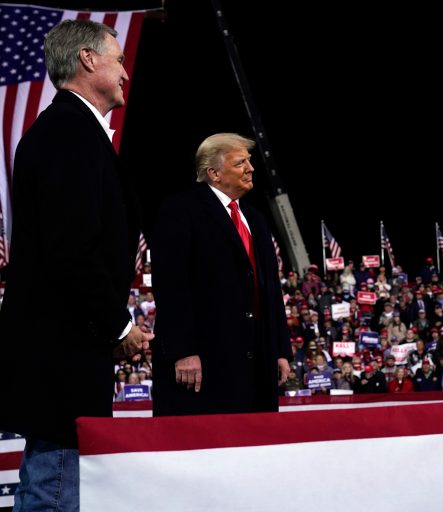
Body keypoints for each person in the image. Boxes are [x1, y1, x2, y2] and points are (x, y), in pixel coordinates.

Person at [0, 19, 149, 510]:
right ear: (88, 59)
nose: (126, 72)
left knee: (54, 475)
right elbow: (72, 250)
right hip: (61, 352)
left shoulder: (71, 131)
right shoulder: (69, 132)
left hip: (62, 347)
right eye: (119, 59)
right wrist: (118, 326)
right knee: (55, 482)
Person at [151, 133, 291, 416]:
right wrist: (182, 350)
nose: (251, 168)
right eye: (241, 163)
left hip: (256, 366)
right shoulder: (181, 210)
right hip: (204, 364)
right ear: (214, 173)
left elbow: (270, 290)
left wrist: (279, 350)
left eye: (249, 161)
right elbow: (171, 286)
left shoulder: (255, 218)